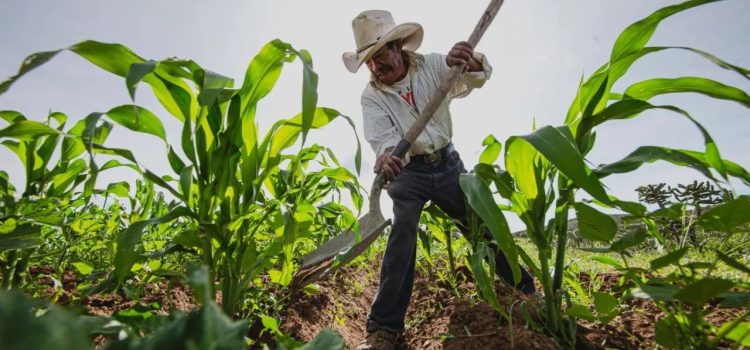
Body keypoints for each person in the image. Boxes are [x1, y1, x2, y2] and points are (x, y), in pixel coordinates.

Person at [343, 10, 535, 350]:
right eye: (368, 61)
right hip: (409, 172)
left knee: (481, 226)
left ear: (398, 45)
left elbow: (472, 78)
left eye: (379, 56)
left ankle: (526, 293)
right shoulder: (371, 96)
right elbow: (383, 138)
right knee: (401, 235)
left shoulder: (432, 66)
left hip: (447, 164)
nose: (374, 67)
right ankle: (384, 329)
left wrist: (469, 62)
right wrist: (388, 156)